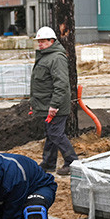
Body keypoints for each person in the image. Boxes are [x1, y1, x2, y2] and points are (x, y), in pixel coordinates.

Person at [30, 26, 79, 176]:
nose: (39, 44)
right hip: (47, 103)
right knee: (51, 134)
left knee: (56, 134)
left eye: (42, 41)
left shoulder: (57, 58)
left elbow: (61, 84)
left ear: (51, 41)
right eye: (38, 41)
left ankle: (73, 162)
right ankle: (48, 163)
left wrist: (54, 105)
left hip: (55, 105)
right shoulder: (46, 56)